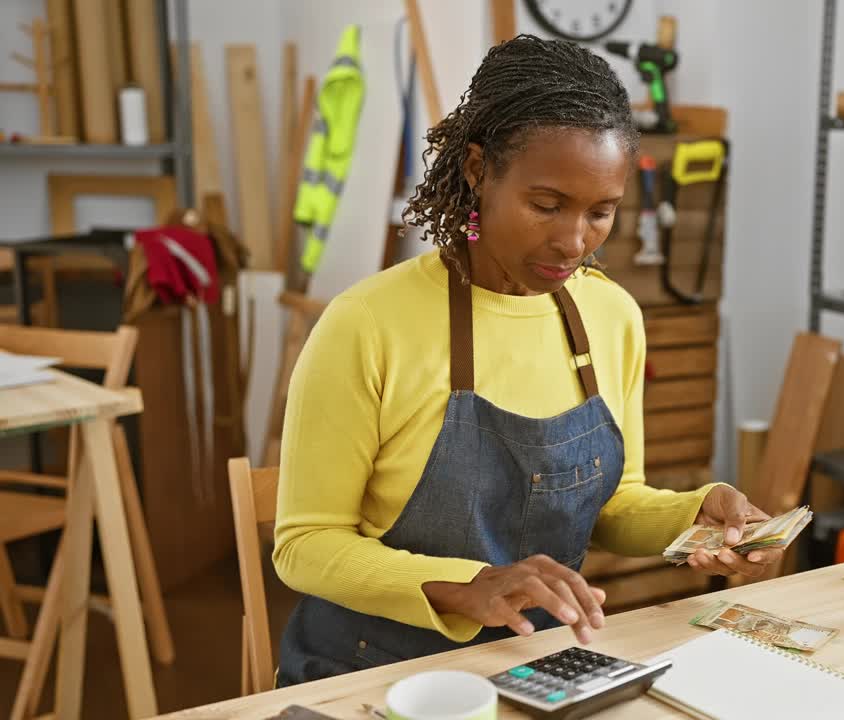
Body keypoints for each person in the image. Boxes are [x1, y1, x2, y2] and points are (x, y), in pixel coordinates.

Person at [272, 35, 781, 687]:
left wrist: (695, 515)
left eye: (601, 212)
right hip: (367, 671)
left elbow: (612, 505)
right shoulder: (366, 324)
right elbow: (304, 545)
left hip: (533, 670)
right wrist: (470, 586)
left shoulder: (611, 316)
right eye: (547, 205)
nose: (574, 241)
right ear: (478, 170)